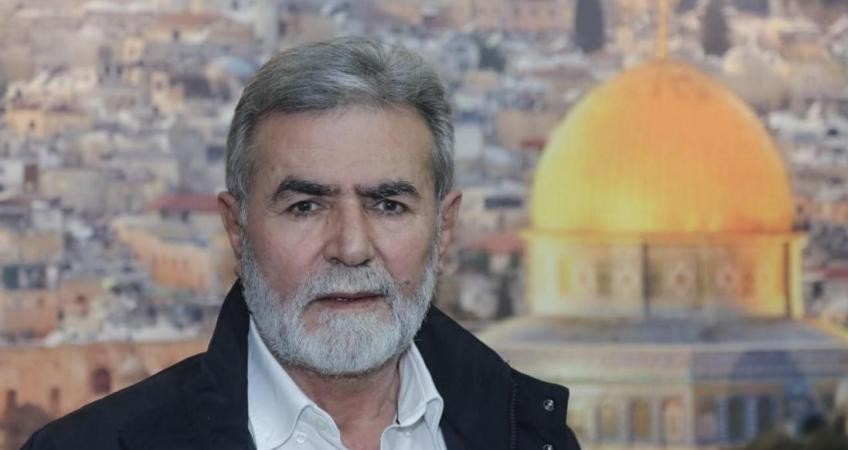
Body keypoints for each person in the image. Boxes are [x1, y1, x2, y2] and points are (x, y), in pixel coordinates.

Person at [22, 37, 581, 450]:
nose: (351, 247)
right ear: (237, 229)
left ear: (444, 228)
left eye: (389, 205)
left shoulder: (531, 434)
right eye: (305, 207)